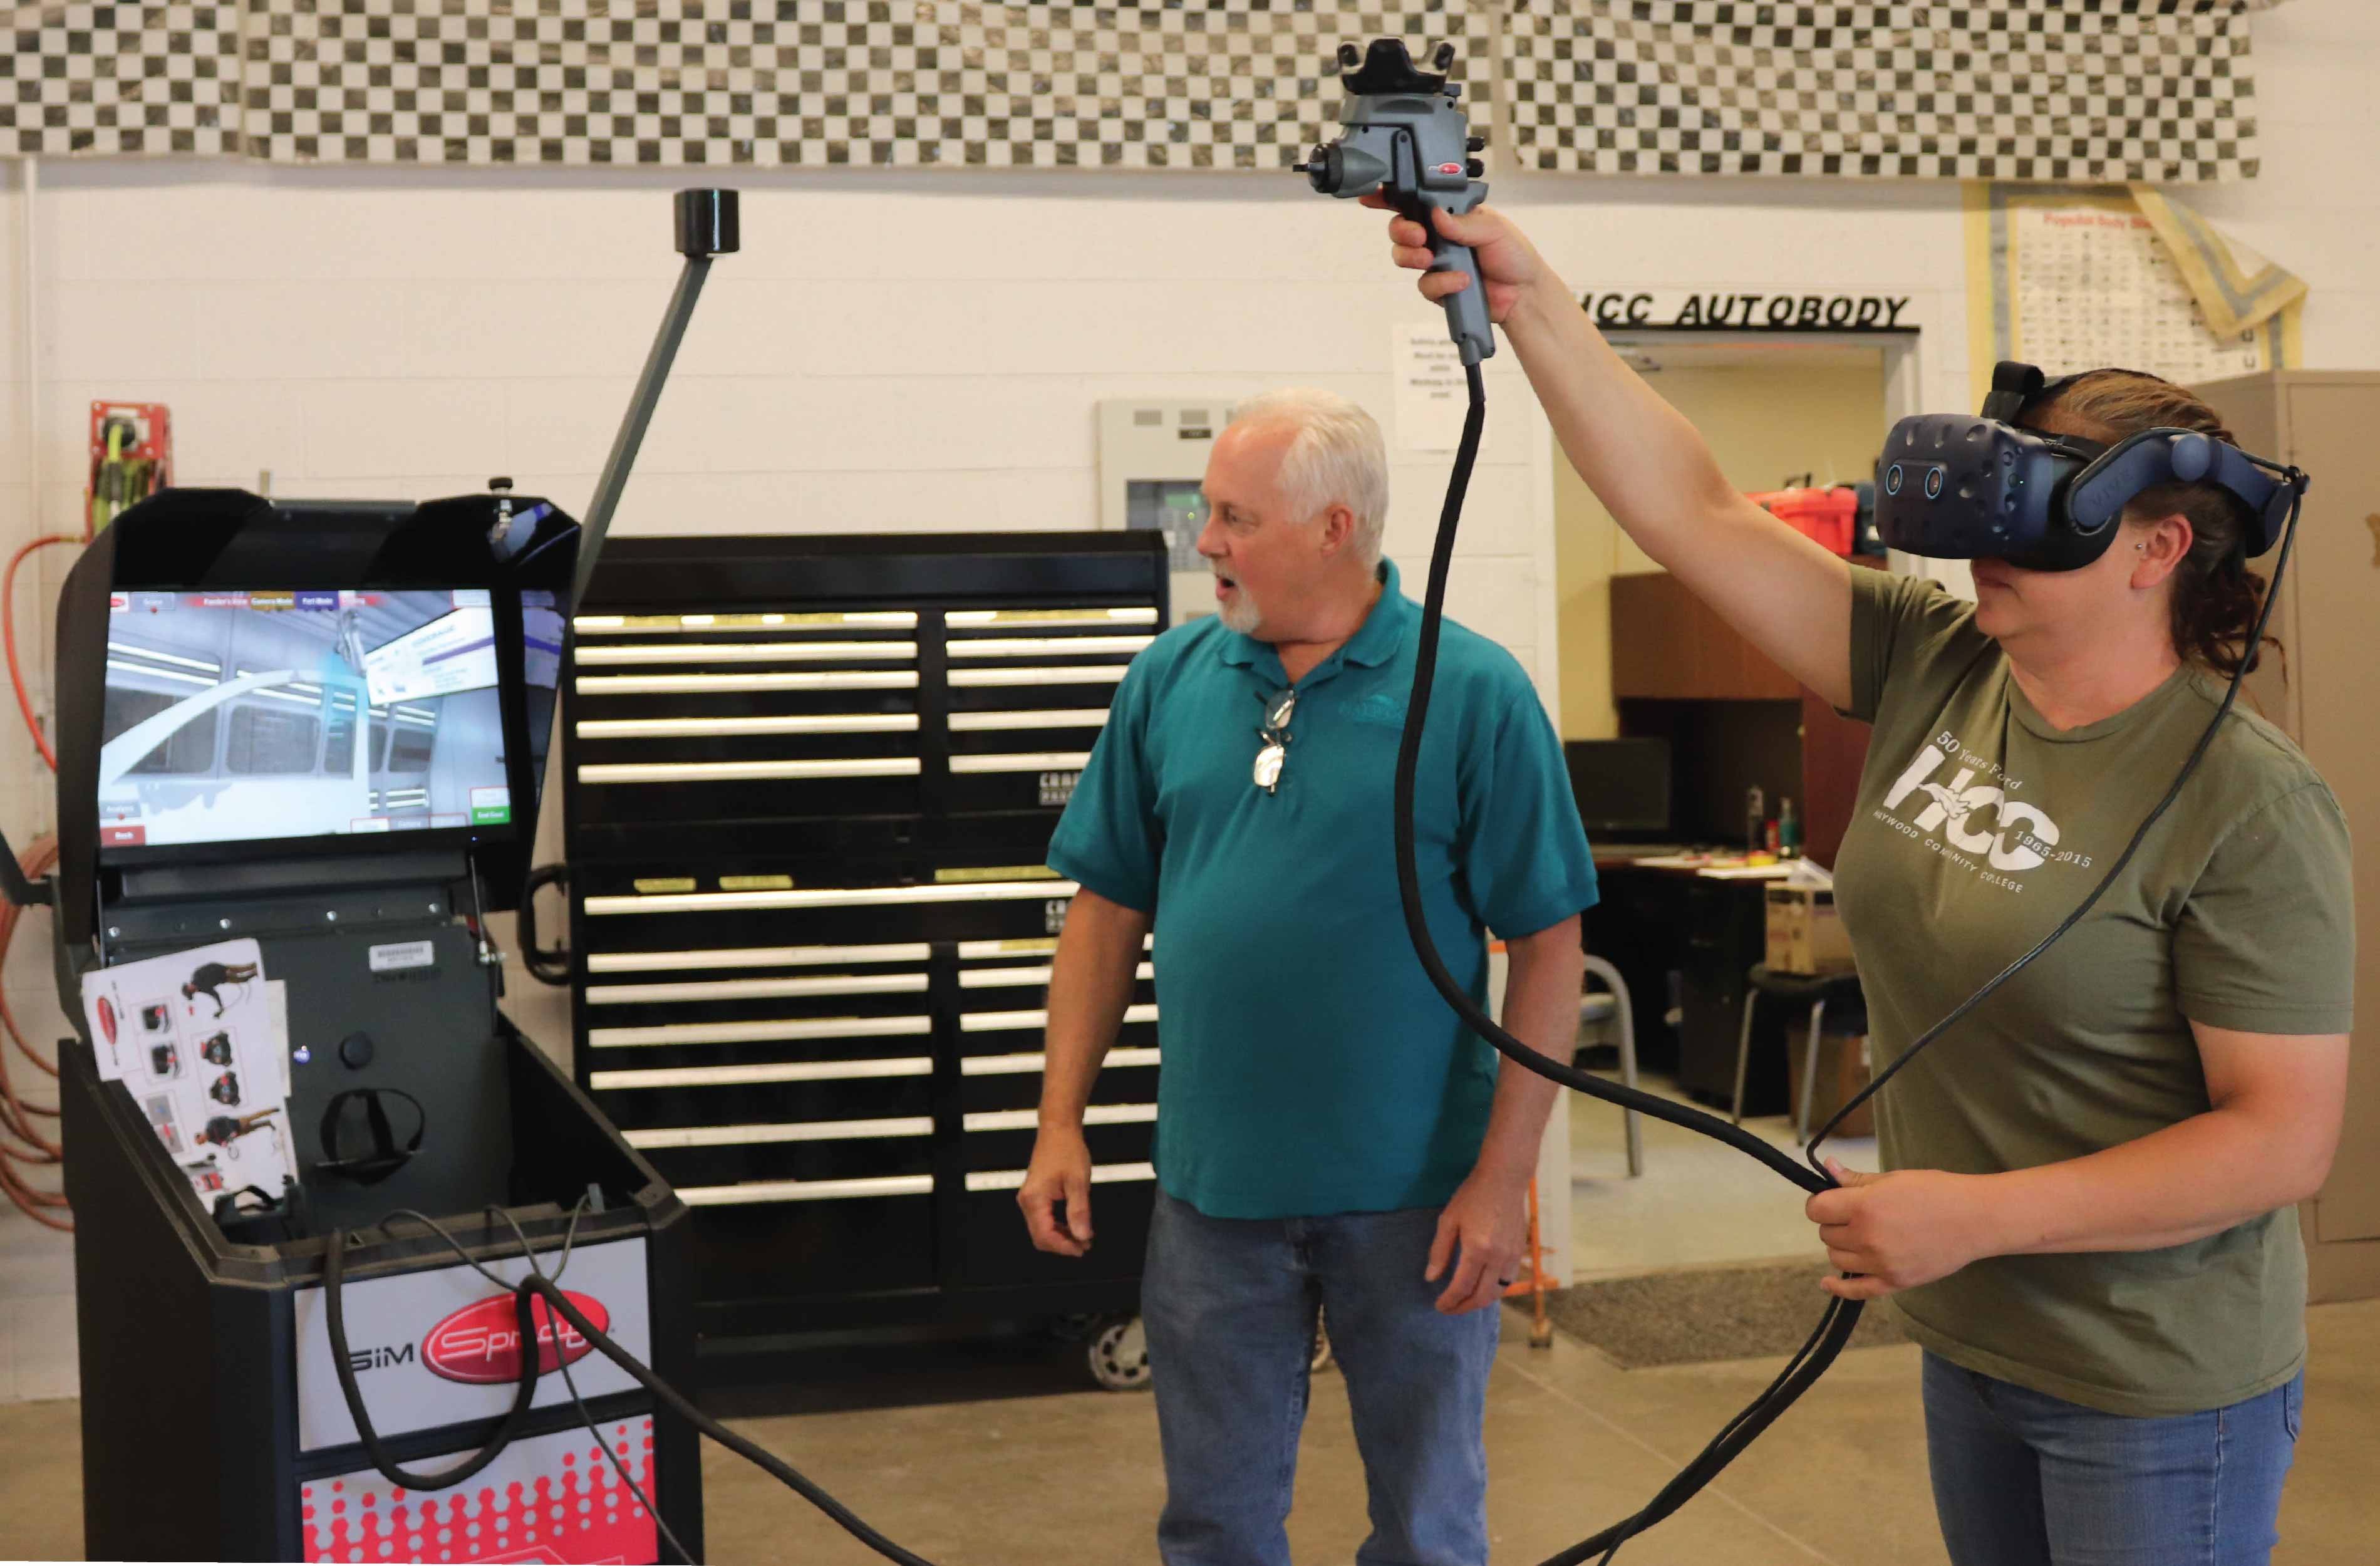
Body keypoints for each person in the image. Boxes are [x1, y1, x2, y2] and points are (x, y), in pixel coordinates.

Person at [1375, 200, 2352, 1566]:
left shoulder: (2248, 805)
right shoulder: (1931, 659)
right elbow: (1693, 508)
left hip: (2154, 1376)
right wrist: (1530, 297)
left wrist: (1973, 1213)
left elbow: (2278, 1141)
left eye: (2043, 518)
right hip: (1967, 1329)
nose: (1982, 550)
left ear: (2157, 550)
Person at [1017, 387, 1598, 1566]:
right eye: (1208, 514)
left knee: (1430, 1525)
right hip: (1211, 1200)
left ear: (1335, 529)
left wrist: (1503, 1182)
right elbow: (1105, 908)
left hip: (1417, 1202)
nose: (1208, 542)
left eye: (1234, 517)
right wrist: (1058, 1121)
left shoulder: (1470, 692)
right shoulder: (1171, 680)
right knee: (1216, 1523)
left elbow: (1549, 948)